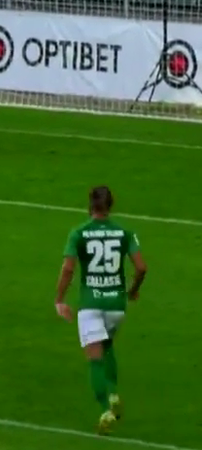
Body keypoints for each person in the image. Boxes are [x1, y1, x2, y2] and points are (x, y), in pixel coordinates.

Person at [55, 185, 147, 436]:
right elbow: (141, 267)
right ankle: (114, 393)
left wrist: (60, 299)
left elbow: (68, 269)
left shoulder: (79, 233)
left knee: (95, 357)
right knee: (107, 345)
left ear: (90, 205)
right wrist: (133, 290)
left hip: (91, 305)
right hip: (116, 305)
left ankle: (106, 410)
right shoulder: (125, 233)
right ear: (110, 205)